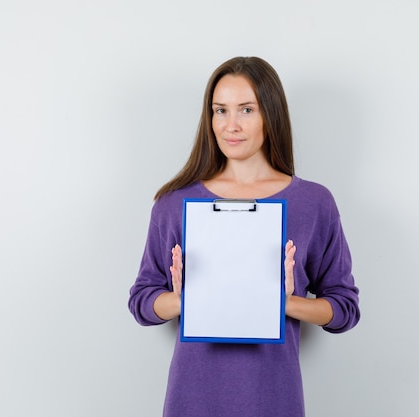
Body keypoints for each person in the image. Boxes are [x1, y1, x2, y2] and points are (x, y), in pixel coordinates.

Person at [128, 56, 360, 417]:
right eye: (220, 110)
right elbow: (142, 301)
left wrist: (283, 303)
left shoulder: (313, 202)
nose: (230, 125)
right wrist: (184, 301)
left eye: (246, 110)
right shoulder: (174, 203)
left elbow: (344, 308)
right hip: (192, 398)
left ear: (271, 114)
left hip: (273, 398)